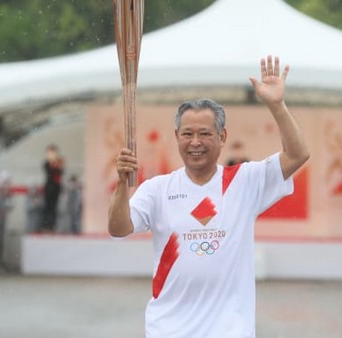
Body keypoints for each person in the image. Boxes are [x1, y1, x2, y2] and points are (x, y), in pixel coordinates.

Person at [108, 55, 309, 337]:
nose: (196, 142)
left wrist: (276, 105)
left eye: (205, 133)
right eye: (187, 133)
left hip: (228, 330)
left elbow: (298, 155)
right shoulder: (157, 189)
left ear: (222, 137)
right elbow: (118, 228)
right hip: (169, 330)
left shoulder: (244, 181)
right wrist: (120, 183)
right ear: (177, 136)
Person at [42, 145, 64, 233]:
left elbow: (60, 173)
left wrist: (57, 164)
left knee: (54, 208)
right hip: (49, 187)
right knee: (48, 207)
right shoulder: (47, 163)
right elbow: (49, 172)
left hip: (56, 187)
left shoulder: (58, 163)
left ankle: (53, 226)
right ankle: (47, 225)